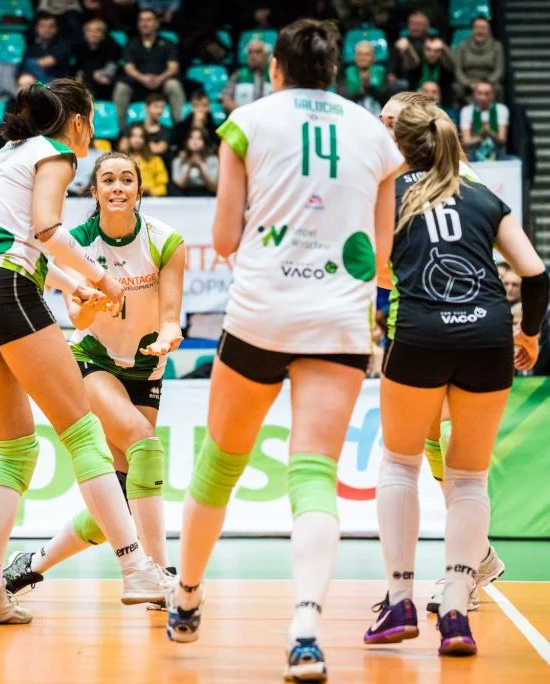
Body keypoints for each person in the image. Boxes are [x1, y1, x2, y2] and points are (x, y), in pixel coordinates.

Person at [165, 20, 403, 682]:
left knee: (219, 465)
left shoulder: (246, 123)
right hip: (338, 321)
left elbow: (224, 238)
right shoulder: (375, 136)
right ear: (337, 71)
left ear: (276, 69)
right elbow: (383, 257)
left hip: (261, 315)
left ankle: (186, 598)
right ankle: (304, 632)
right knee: (313, 476)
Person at [0, 78, 172, 625]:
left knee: (15, 450)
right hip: (7, 289)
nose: (91, 132)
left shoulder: (9, 151)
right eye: (91, 120)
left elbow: (16, 239)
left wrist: (70, 285)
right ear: (76, 120)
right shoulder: (55, 153)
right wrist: (100, 277)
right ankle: (137, 569)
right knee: (83, 434)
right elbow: (48, 229)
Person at [364, 102, 548, 657]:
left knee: (399, 464)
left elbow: (373, 268)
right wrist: (529, 335)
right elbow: (536, 275)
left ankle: (399, 599)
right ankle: (456, 610)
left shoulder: (387, 194)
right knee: (470, 479)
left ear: (399, 144)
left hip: (419, 331)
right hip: (488, 335)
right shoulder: (483, 196)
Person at [4, 152, 186, 596]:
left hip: (146, 367)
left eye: (126, 179)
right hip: (93, 360)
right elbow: (78, 318)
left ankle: (31, 565)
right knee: (144, 443)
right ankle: (160, 573)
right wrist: (92, 303)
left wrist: (168, 337)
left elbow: (170, 319)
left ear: (139, 189)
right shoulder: (79, 244)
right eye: (108, 180)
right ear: (95, 190)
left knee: (120, 500)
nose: (118, 187)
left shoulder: (166, 241)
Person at [377, 92, 508, 617]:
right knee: (429, 440)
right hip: (414, 320)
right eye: (381, 122)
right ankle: (477, 559)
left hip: (453, 323)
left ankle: (466, 574)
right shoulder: (395, 181)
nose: (383, 131)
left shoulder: (458, 179)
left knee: (446, 455)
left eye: (392, 122)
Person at [112, 9, 186, 128]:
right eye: (141, 20)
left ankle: (180, 129)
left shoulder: (168, 43)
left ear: (157, 23)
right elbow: (128, 67)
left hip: (161, 84)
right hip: (138, 84)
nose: (144, 23)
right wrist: (143, 78)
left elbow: (173, 67)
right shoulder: (131, 44)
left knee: (174, 85)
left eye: (148, 20)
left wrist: (160, 78)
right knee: (121, 88)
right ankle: (122, 131)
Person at [454, 16, 504, 103]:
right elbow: (458, 70)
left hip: (489, 82)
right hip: (467, 84)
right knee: (456, 88)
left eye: (483, 28)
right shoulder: (462, 46)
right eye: (477, 28)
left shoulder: (497, 46)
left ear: (489, 30)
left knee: (499, 89)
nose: (480, 31)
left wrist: (487, 83)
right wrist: (469, 84)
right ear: (472, 30)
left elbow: (499, 70)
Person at [75, 18, 123, 99]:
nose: (93, 34)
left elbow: (113, 67)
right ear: (85, 34)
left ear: (103, 34)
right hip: (87, 83)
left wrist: (102, 74)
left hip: (107, 83)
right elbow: (79, 68)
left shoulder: (112, 46)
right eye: (89, 31)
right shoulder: (81, 47)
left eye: (97, 31)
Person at [219, 40, 272, 113]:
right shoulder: (239, 74)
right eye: (250, 52)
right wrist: (242, 113)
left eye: (258, 52)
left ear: (266, 55)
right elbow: (225, 98)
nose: (253, 56)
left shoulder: (274, 75)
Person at [460, 82, 508, 161]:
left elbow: (502, 139)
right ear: (474, 95)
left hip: (497, 155)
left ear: (493, 95)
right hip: (473, 156)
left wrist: (490, 133)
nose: (483, 97)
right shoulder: (467, 110)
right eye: (479, 93)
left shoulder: (501, 109)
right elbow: (466, 142)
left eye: (487, 94)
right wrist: (482, 135)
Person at [22, 14, 73, 82]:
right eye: (43, 26)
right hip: (36, 83)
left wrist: (35, 63)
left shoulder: (63, 45)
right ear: (36, 28)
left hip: (59, 82)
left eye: (51, 26)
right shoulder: (31, 47)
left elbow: (49, 62)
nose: (47, 29)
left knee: (30, 63)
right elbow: (23, 67)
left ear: (56, 29)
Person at [124, 123, 169, 196]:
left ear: (145, 140)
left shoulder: (155, 160)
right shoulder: (121, 161)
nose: (137, 140)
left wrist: (151, 192)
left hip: (151, 199)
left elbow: (162, 186)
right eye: (134, 136)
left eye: (141, 136)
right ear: (129, 139)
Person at [172, 128, 218, 196]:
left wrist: (200, 166)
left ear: (205, 142)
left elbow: (213, 187)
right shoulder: (178, 161)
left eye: (199, 138)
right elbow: (179, 186)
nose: (195, 142)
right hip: (184, 196)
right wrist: (189, 166)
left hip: (207, 195)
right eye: (191, 138)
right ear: (186, 141)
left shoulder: (213, 160)